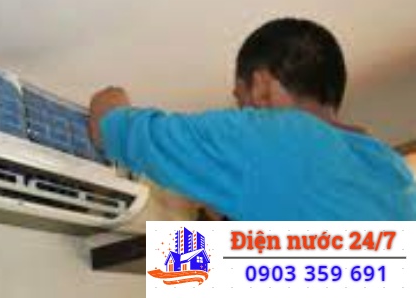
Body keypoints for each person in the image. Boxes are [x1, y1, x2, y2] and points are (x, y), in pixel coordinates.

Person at [88, 18, 416, 220]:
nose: (240, 111)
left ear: (260, 87)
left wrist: (111, 96)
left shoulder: (275, 136)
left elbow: (111, 128)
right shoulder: (391, 169)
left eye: (239, 99)